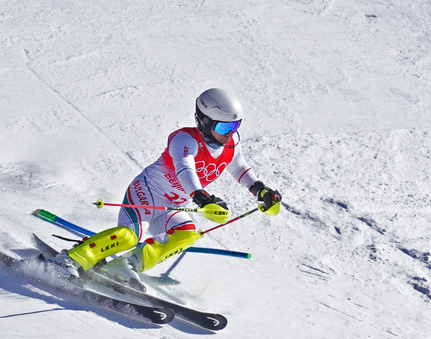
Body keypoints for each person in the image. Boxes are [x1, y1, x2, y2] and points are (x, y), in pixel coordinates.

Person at [46, 88, 282, 281]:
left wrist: (260, 190)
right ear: (204, 120)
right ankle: (70, 259)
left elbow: (239, 168)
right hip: (147, 193)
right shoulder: (184, 139)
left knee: (188, 235)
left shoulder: (231, 144)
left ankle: (126, 265)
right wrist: (202, 198)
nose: (230, 134)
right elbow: (184, 168)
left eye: (235, 126)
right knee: (129, 236)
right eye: (223, 127)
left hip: (172, 205)